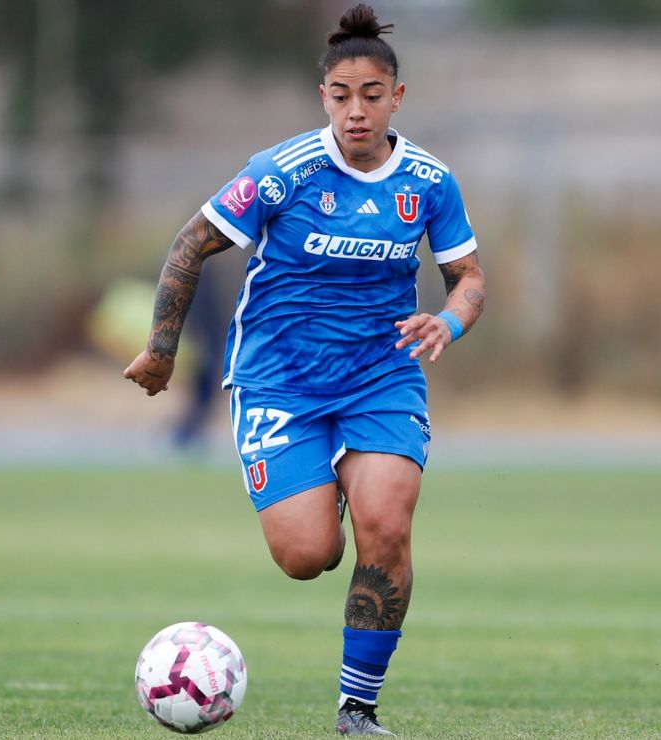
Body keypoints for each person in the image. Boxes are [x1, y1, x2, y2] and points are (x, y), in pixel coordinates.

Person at [124, 4, 485, 735]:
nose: (357, 111)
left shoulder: (429, 181)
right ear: (324, 97)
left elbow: (469, 278)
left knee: (387, 526)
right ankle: (331, 485)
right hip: (279, 380)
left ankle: (358, 708)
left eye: (372, 96)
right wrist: (162, 350)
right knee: (307, 554)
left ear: (397, 98)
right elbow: (190, 245)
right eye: (342, 96)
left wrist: (448, 320)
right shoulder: (281, 173)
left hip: (381, 377)